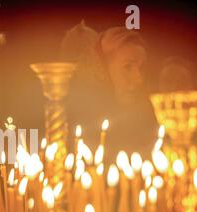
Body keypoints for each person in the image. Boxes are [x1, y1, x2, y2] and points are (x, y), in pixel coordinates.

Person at [65, 26, 158, 161]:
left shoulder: (149, 117)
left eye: (141, 68)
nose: (139, 79)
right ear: (102, 69)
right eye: (128, 67)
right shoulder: (75, 125)